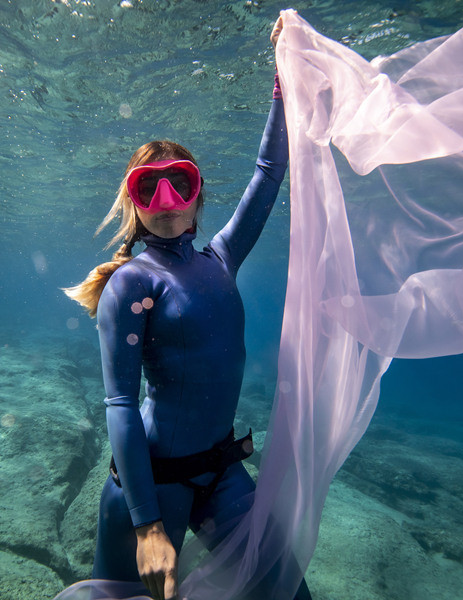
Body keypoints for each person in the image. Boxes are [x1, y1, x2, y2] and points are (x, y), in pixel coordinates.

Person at [64, 17, 310, 600]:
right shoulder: (131, 283)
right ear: (133, 199)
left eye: (181, 183)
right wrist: (147, 525)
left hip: (223, 472)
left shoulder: (222, 259)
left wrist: (285, 78)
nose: (167, 201)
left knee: (287, 592)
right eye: (150, 188)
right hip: (149, 487)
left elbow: (271, 173)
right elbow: (120, 402)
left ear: (199, 194)